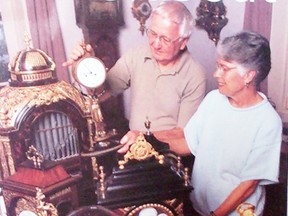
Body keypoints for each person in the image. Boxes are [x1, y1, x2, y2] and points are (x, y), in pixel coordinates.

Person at [118, 31, 282, 216]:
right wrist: (144, 138)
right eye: (217, 66)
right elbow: (187, 144)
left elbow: (248, 185)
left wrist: (215, 215)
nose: (216, 74)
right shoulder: (214, 100)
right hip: (199, 207)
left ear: (249, 76)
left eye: (225, 68)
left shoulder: (268, 121)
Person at [63, 0, 206, 133]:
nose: (156, 44)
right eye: (153, 34)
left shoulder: (194, 74)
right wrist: (87, 64)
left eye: (165, 39)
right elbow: (101, 94)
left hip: (170, 154)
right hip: (136, 148)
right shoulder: (137, 55)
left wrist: (143, 139)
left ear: (183, 42)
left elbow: (182, 136)